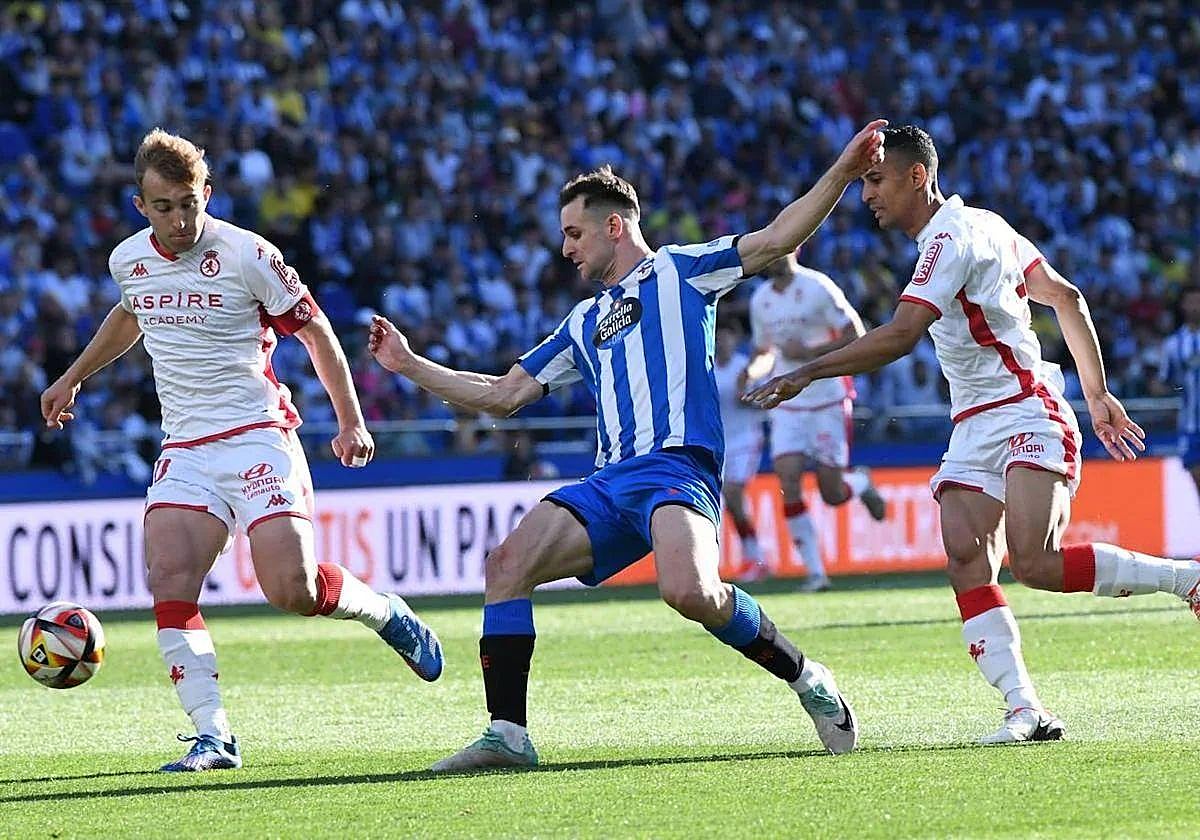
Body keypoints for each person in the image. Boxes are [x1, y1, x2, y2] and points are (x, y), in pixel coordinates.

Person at [369, 120, 890, 771]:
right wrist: (411, 365)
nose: (565, 248)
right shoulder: (583, 321)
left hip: (678, 468)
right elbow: (505, 394)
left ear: (614, 227)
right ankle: (508, 734)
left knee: (690, 592)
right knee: (506, 564)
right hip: (609, 483)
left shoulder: (683, 270)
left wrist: (842, 170)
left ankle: (808, 677)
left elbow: (779, 237)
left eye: (574, 232)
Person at [747, 125, 1200, 744]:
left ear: (917, 176)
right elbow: (1064, 297)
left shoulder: (949, 240)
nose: (866, 197)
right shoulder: (987, 225)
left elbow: (903, 334)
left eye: (875, 181)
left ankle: (1186, 579)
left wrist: (808, 372)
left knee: (1034, 561)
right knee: (964, 556)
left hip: (1026, 409)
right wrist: (1096, 394)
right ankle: (1024, 710)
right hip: (973, 424)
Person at [39, 129, 443, 772]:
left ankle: (382, 610)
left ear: (208, 193)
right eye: (163, 206)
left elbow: (315, 331)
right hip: (186, 449)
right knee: (170, 580)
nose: (178, 219)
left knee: (292, 589)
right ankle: (213, 734)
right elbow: (131, 313)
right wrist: (72, 376)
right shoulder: (129, 259)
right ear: (139, 205)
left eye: (188, 203)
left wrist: (350, 421)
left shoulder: (248, 254)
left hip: (258, 435)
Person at [745, 250, 887, 591]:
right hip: (787, 403)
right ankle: (816, 573)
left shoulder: (818, 286)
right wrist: (750, 374)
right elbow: (765, 351)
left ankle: (860, 483)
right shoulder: (760, 299)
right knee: (788, 479)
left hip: (827, 400)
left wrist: (809, 355)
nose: (773, 258)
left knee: (832, 493)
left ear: (794, 251)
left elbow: (855, 335)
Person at [712, 317, 766, 578]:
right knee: (731, 505)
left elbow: (765, 401)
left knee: (733, 494)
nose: (722, 343)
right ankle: (754, 557)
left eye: (727, 338)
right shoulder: (707, 369)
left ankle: (755, 558)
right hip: (719, 445)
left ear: (735, 342)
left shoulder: (746, 369)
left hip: (746, 440)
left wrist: (749, 401)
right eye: (718, 339)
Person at [1155, 286, 1200, 506]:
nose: (1194, 307)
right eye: (1190, 302)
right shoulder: (1173, 345)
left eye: (1197, 302)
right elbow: (1163, 383)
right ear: (1183, 306)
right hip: (1191, 424)